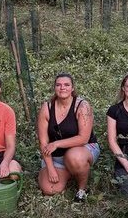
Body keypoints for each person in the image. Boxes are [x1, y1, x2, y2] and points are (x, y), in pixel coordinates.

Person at [37, 72, 100, 201]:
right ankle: (69, 172)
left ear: (72, 88)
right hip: (56, 156)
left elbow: (83, 138)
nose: (62, 88)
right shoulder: (47, 108)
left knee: (74, 157)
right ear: (54, 88)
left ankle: (82, 189)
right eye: (58, 85)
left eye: (66, 85)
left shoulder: (82, 106)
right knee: (50, 189)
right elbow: (43, 142)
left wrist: (56, 143)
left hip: (82, 149)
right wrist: (50, 168)